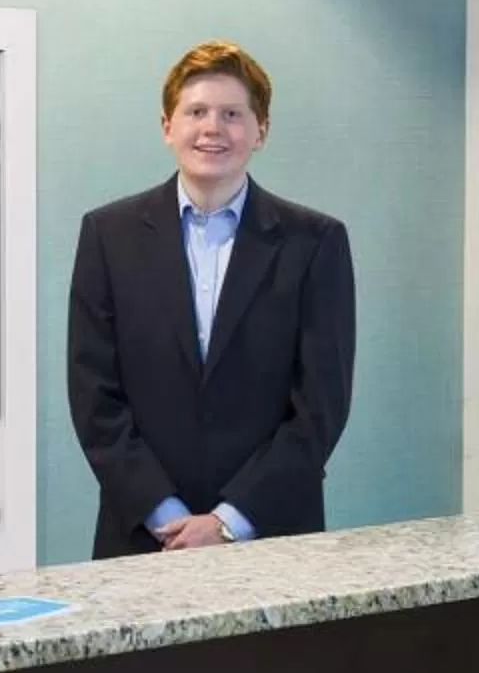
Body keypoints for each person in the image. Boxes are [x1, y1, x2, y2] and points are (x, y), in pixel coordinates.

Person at [67, 42, 356, 560]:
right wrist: (167, 515)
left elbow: (320, 410)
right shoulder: (108, 236)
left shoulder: (314, 244)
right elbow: (94, 397)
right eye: (196, 112)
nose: (212, 129)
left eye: (232, 114)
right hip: (142, 539)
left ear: (261, 131)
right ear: (167, 126)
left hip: (273, 538)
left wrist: (227, 523)